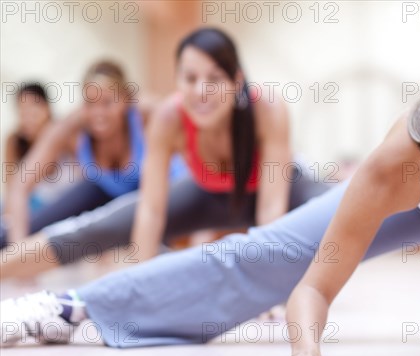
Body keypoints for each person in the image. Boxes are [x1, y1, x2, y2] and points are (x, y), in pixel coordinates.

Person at [1, 55, 420, 356]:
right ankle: (72, 307)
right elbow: (313, 285)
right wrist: (305, 348)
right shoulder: (399, 169)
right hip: (417, 208)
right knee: (264, 254)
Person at [0, 27, 330, 279]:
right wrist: (139, 283)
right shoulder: (169, 117)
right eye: (190, 78)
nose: (202, 91)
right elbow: (151, 212)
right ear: (178, 81)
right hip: (207, 194)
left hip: (282, 192)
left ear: (237, 81)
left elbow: (271, 210)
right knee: (100, 227)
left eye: (215, 78)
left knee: (343, 205)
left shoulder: (268, 109)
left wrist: (268, 287)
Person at [1, 61, 186, 250]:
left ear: (125, 99)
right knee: (16, 235)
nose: (98, 113)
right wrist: (19, 249)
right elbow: (19, 186)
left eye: (107, 102)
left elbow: (189, 121)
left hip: (155, 194)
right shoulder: (73, 125)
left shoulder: (146, 113)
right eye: (90, 103)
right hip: (103, 193)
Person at [2, 83, 70, 212]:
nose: (27, 119)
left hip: (58, 208)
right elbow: (10, 190)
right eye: (22, 113)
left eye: (32, 111)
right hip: (28, 208)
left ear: (47, 108)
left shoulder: (65, 136)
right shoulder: (14, 141)